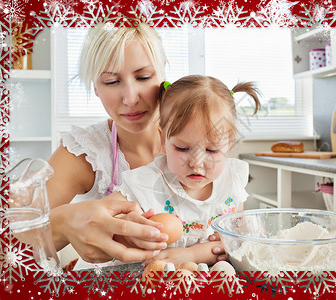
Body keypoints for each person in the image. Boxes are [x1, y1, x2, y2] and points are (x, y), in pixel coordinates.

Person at [46, 23, 225, 267]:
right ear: (95, 88)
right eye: (111, 81)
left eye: (143, 77)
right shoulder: (85, 152)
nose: (130, 98)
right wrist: (64, 223)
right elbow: (4, 236)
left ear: (163, 75)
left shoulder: (201, 138)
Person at [76, 75, 261, 269]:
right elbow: (96, 223)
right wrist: (125, 230)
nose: (196, 163)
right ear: (163, 140)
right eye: (182, 148)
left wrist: (192, 254)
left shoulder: (231, 182)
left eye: (211, 150)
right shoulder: (145, 185)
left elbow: (235, 243)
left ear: (229, 146)